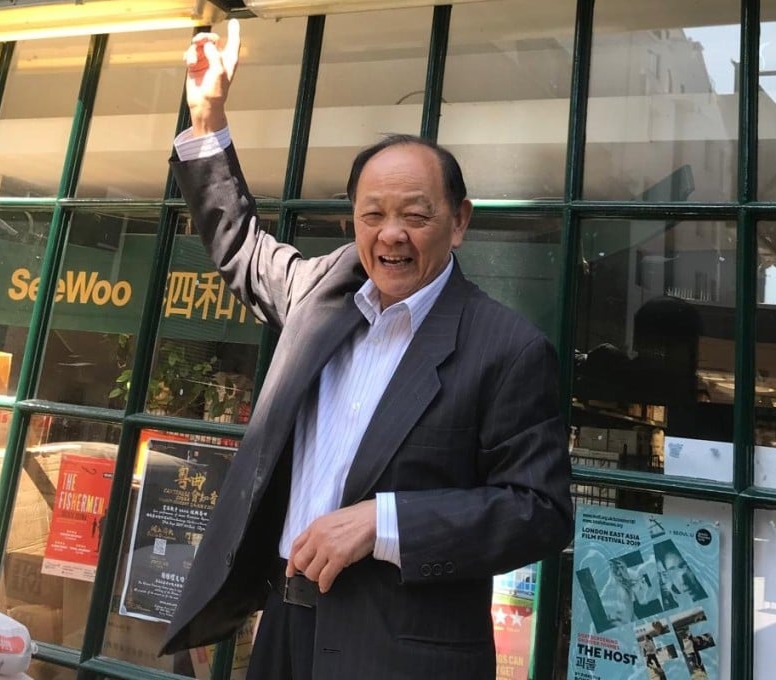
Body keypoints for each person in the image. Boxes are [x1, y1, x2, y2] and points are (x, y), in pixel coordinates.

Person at [157, 19, 574, 680]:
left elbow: (540, 512)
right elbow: (237, 243)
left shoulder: (508, 349)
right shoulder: (320, 292)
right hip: (283, 627)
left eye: (416, 214)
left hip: (400, 653)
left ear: (459, 221)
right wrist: (207, 112)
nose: (391, 236)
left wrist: (383, 523)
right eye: (372, 215)